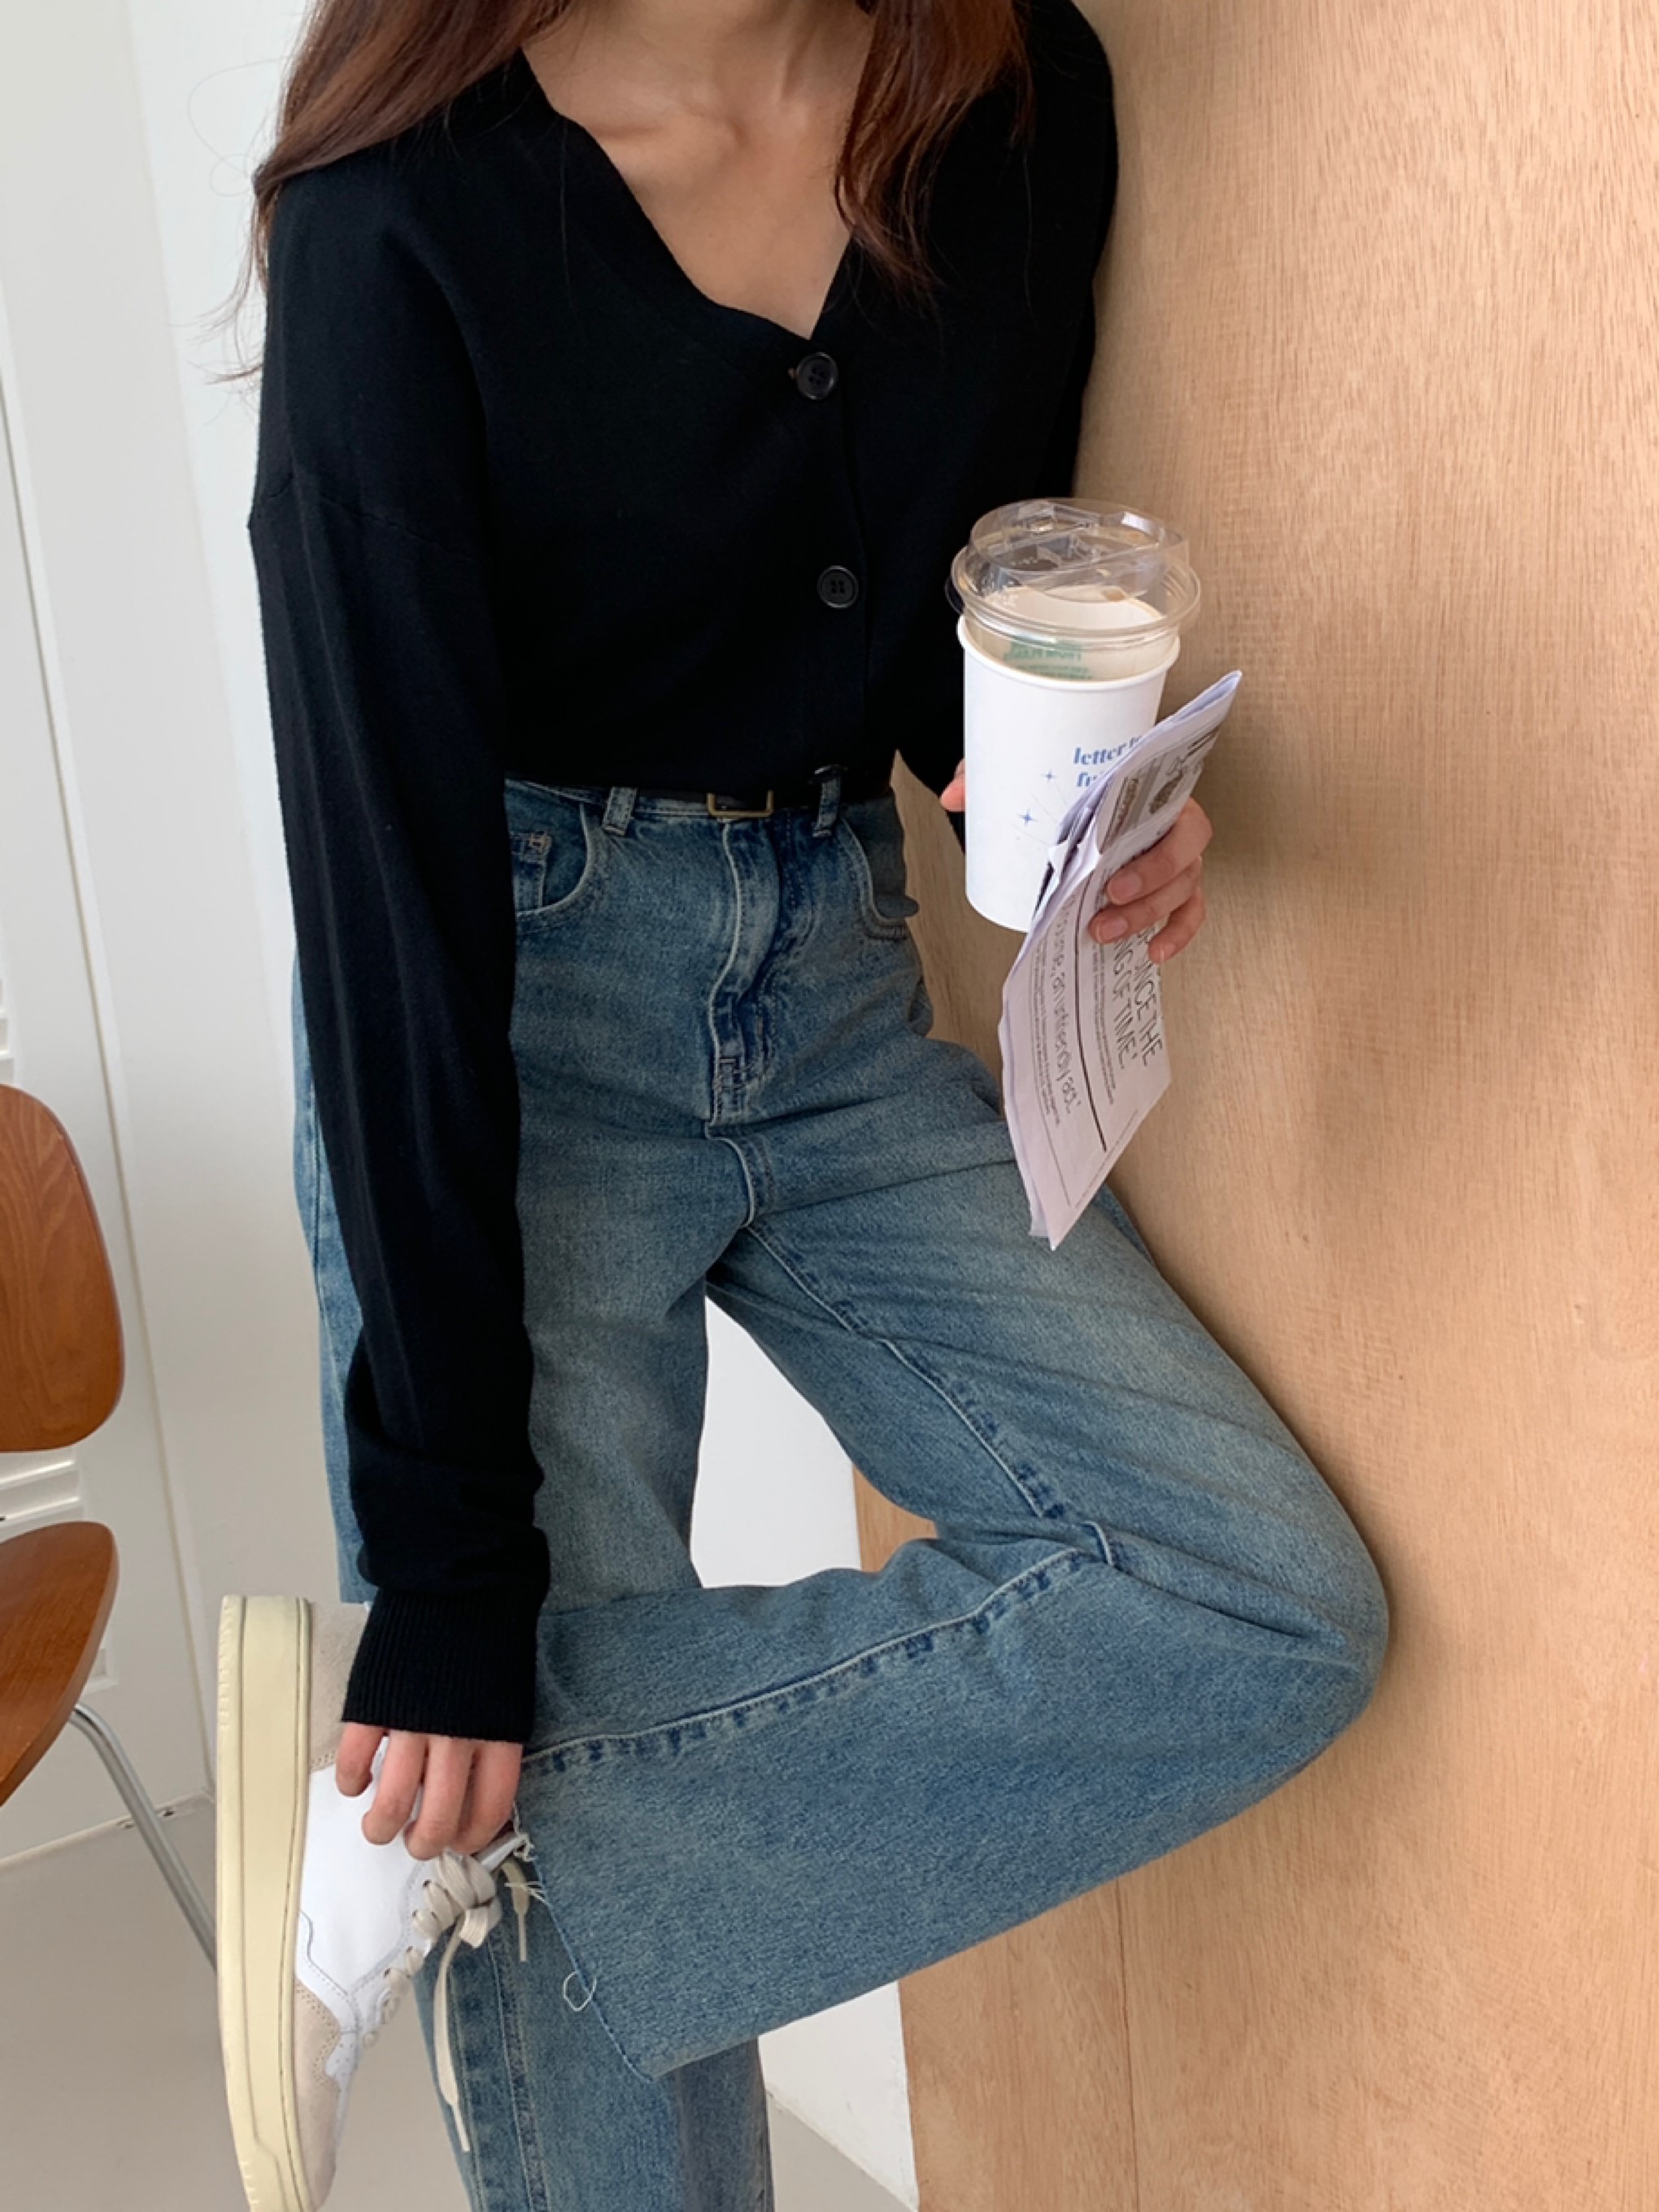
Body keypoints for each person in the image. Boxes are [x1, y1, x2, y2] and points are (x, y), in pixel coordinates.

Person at [215, 1, 1391, 2206]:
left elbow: (948, 615)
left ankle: (425, 1812)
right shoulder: (404, 218)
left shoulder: (1012, 94)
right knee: (513, 1703)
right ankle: (455, 1776)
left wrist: (1088, 817)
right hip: (508, 1015)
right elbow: (388, 922)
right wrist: (453, 1580)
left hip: (839, 974)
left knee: (1258, 1597)